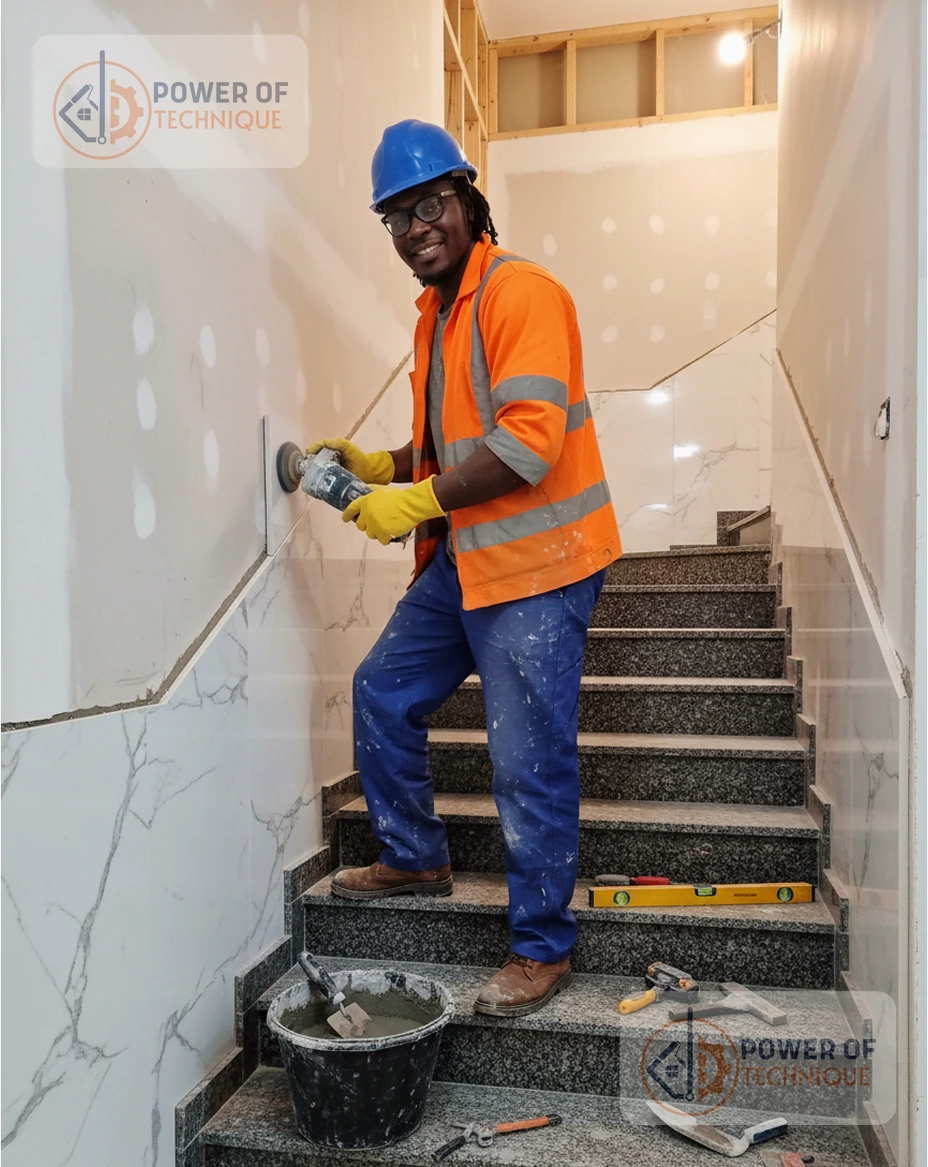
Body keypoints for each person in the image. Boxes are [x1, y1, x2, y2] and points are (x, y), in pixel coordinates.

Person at [308, 119, 622, 1018]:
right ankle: (415, 854)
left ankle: (542, 945)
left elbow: (525, 445)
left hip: (542, 564)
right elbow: (454, 442)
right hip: (470, 556)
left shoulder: (520, 293)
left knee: (526, 760)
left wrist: (413, 503)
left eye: (430, 205)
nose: (415, 229)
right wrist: (383, 465)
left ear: (468, 201)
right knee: (381, 689)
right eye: (397, 217)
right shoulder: (438, 315)